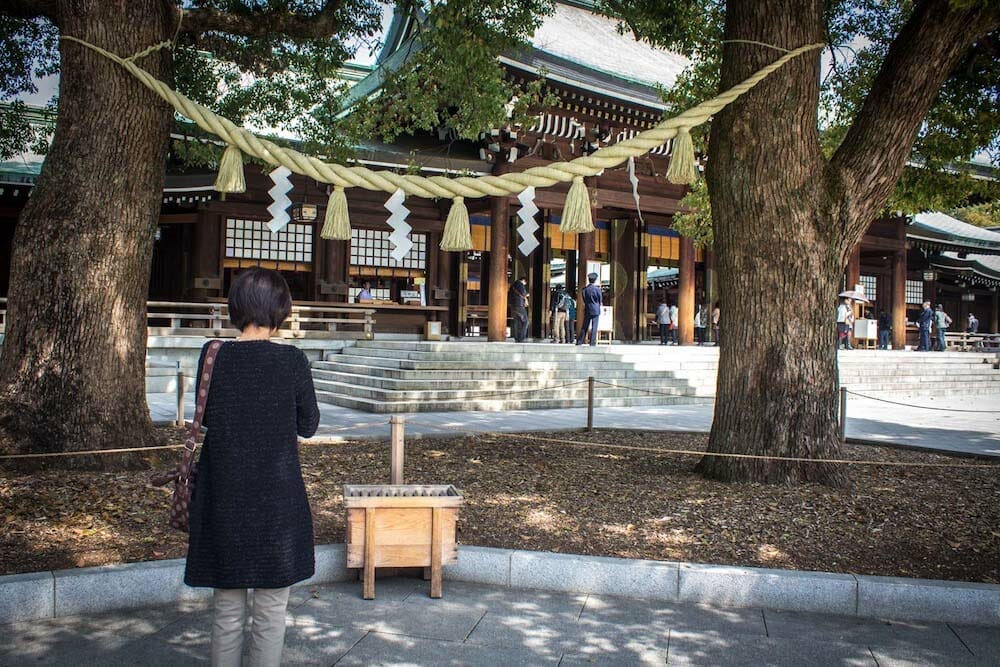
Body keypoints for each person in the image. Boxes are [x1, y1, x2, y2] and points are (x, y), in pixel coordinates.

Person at [185, 267, 320, 667]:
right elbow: (308, 426)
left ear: (236, 307)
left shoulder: (213, 356)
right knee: (271, 610)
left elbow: (206, 417)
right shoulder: (292, 361)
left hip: (224, 495)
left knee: (227, 610)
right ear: (281, 310)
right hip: (276, 501)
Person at [577, 272, 602, 347]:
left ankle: (580, 341)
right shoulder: (597, 289)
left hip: (588, 308)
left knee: (585, 326)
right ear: (595, 280)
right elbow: (600, 299)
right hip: (596, 309)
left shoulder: (585, 289)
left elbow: (584, 299)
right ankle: (592, 342)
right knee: (594, 326)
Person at [508, 276, 529, 342]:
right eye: (525, 282)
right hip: (519, 305)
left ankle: (516, 338)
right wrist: (527, 295)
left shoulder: (513, 285)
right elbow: (523, 293)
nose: (525, 284)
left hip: (513, 305)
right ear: (523, 280)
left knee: (516, 321)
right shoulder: (520, 284)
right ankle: (521, 338)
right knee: (525, 321)